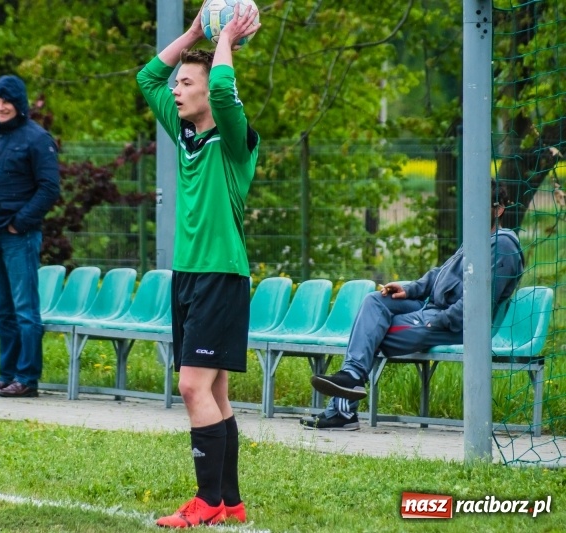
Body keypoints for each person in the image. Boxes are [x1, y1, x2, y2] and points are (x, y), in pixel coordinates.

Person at [137, 3, 260, 528]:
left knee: (191, 387)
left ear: (209, 92)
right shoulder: (184, 131)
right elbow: (148, 79)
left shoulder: (234, 139)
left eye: (187, 83)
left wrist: (226, 38)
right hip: (188, 275)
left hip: (222, 274)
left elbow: (228, 92)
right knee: (212, 391)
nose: (177, 90)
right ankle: (229, 502)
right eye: (180, 82)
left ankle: (205, 502)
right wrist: (193, 33)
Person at [305, 180, 524, 430]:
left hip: (453, 323)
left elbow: (477, 305)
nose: (472, 211)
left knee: (370, 335)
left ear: (498, 210)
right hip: (432, 310)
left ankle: (342, 409)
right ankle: (352, 380)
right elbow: (438, 275)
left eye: (480, 206)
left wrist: (436, 320)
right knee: (375, 301)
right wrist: (408, 289)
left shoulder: (503, 245)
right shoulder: (475, 240)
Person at [0, 75, 60, 399]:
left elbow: (49, 188)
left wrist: (20, 223)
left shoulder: (37, 138)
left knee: (25, 310)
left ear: (19, 104)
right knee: (2, 310)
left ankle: (27, 378)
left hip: (19, 237)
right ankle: (6, 377)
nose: (0, 107)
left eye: (6, 101)